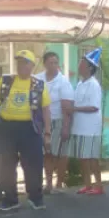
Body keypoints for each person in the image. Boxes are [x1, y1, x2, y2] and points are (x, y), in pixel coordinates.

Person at [0, 50, 52, 211]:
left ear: (32, 66)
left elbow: (46, 109)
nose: (21, 65)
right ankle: (10, 199)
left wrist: (47, 132)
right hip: (6, 128)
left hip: (30, 128)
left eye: (25, 62)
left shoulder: (39, 85)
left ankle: (36, 197)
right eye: (19, 62)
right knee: (5, 165)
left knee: (34, 164)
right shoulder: (6, 81)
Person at [35, 52, 74, 194]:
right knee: (47, 153)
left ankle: (58, 183)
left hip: (58, 120)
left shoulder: (63, 81)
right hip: (41, 121)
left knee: (58, 153)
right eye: (51, 62)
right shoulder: (37, 79)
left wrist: (65, 127)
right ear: (44, 63)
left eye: (56, 62)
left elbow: (67, 106)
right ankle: (48, 183)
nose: (54, 65)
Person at [71, 49, 104, 195]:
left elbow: (94, 107)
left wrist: (75, 109)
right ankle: (87, 184)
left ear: (90, 67)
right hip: (79, 127)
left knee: (92, 158)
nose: (79, 64)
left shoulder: (93, 85)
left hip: (90, 128)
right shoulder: (80, 83)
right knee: (83, 158)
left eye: (82, 62)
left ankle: (98, 185)